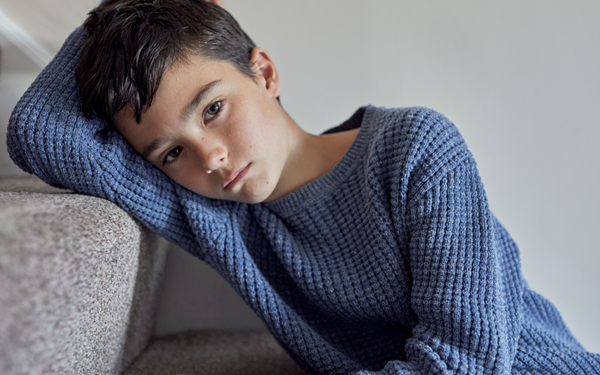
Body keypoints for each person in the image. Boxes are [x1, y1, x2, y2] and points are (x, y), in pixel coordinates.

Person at [7, 0, 600, 374]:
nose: (209, 157)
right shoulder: (219, 215)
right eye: (173, 151)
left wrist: (174, 11)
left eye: (212, 107)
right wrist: (123, 24)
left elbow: (466, 358)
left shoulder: (412, 149)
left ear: (263, 71)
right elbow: (39, 133)